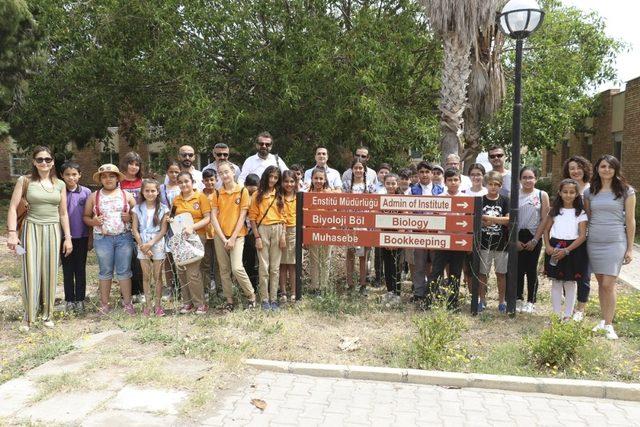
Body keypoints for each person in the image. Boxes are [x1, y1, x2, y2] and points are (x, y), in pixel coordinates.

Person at [7, 147, 73, 331]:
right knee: (31, 271)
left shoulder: (59, 184)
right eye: (40, 159)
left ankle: (47, 314)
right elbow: (12, 208)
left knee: (50, 271)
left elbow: (63, 213)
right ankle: (29, 316)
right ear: (34, 162)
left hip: (53, 229)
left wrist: (68, 238)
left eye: (48, 159)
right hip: (31, 228)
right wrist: (12, 233)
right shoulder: (25, 180)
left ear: (53, 161)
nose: (44, 162)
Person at [584, 155, 636, 340]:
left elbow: (630, 220)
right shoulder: (589, 192)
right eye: (603, 166)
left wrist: (630, 248)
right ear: (597, 169)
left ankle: (609, 324)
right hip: (595, 242)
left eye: (610, 167)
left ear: (616, 169)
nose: (606, 170)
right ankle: (603, 320)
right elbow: (588, 218)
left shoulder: (626, 191)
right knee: (600, 283)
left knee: (608, 283)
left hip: (615, 242)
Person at [83, 164, 136, 316]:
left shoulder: (127, 195)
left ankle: (127, 304)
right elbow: (85, 217)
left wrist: (130, 217)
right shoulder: (94, 196)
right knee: (105, 271)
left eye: (111, 176)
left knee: (124, 271)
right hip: (102, 239)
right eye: (104, 176)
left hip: (123, 238)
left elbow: (139, 214)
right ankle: (104, 304)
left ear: (117, 178)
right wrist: (94, 222)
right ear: (100, 179)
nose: (108, 179)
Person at [210, 161, 258, 311]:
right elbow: (213, 218)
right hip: (220, 236)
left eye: (226, 172)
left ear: (233, 172)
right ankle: (229, 301)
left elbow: (243, 216)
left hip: (237, 236)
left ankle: (251, 295)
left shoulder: (242, 191)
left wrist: (232, 238)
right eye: (221, 173)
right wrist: (224, 238)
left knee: (237, 268)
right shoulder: (216, 193)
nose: (224, 175)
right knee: (224, 270)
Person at [423, 168, 468, 309]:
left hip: (459, 242)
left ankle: (452, 303)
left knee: (455, 273)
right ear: (445, 182)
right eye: (450, 180)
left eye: (455, 180)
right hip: (442, 241)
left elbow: (468, 222)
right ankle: (428, 301)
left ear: (460, 181)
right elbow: (434, 221)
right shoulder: (440, 198)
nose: (453, 182)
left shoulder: (466, 200)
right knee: (436, 272)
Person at [543, 179, 588, 321]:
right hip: (555, 247)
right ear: (560, 193)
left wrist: (567, 250)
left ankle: (568, 315)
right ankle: (556, 314)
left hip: (573, 249)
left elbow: (582, 236)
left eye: (572, 192)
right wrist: (548, 246)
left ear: (577, 194)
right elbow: (546, 229)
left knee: (570, 282)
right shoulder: (554, 211)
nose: (568, 195)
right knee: (556, 282)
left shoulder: (580, 213)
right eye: (565, 192)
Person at [172, 171, 211, 315]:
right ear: (177, 184)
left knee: (193, 272)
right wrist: (170, 220)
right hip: (181, 240)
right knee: (182, 271)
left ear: (192, 182)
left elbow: (207, 218)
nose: (184, 184)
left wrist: (192, 227)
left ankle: (200, 304)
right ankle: (187, 303)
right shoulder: (176, 200)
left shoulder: (201, 197)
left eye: (186, 181)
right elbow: (172, 217)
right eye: (180, 182)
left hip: (196, 237)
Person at [248, 165, 286, 310]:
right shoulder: (257, 194)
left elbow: (283, 217)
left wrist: (283, 235)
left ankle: (274, 299)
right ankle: (264, 299)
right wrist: (257, 237)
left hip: (277, 229)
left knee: (275, 268)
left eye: (276, 177)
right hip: (263, 229)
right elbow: (252, 218)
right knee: (264, 267)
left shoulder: (279, 193)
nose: (272, 180)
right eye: (270, 176)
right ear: (265, 176)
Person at [131, 179, 170, 316]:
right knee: (146, 277)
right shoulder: (137, 208)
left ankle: (158, 306)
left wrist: (150, 244)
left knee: (158, 276)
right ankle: (148, 306)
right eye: (147, 190)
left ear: (158, 191)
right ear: (142, 191)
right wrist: (143, 245)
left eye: (153, 190)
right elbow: (135, 229)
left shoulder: (163, 209)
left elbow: (163, 230)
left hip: (157, 242)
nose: (150, 193)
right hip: (142, 243)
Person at [562, 155, 592, 321]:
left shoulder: (591, 189)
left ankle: (580, 308)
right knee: (567, 272)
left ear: (585, 169)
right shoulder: (566, 187)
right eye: (572, 168)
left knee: (584, 273)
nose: (575, 171)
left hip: (586, 237)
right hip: (566, 237)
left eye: (578, 167)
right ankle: (569, 305)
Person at [516, 167, 550, 314]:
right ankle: (517, 298)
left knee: (531, 270)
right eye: (524, 177)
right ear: (520, 179)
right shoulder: (514, 194)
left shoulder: (542, 195)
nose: (528, 180)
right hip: (517, 237)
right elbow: (510, 219)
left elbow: (544, 219)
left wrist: (536, 239)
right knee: (517, 270)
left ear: (536, 179)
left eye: (531, 177)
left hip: (533, 236)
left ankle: (531, 300)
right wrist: (514, 240)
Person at [60, 161, 91, 313]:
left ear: (80, 175)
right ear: (62, 176)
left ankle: (80, 300)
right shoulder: (58, 191)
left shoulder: (86, 192)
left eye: (74, 174)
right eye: (67, 174)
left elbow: (90, 216)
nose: (71, 177)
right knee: (67, 270)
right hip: (63, 238)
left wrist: (90, 237)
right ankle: (69, 300)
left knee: (80, 269)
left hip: (82, 237)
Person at [477, 171, 510, 313]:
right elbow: (476, 221)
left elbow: (508, 220)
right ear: (485, 185)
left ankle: (502, 301)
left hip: (501, 244)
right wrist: (485, 221)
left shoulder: (505, 200)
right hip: (484, 242)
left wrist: (487, 218)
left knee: (501, 273)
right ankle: (482, 300)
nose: (493, 187)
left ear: (500, 186)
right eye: (490, 184)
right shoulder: (480, 200)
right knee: (483, 273)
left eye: (496, 185)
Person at [343, 158, 375, 294]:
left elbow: (374, 205)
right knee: (350, 254)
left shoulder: (370, 186)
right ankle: (350, 284)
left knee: (363, 256)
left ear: (364, 170)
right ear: (352, 169)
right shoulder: (346, 185)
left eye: (360, 168)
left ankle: (363, 284)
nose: (358, 170)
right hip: (350, 224)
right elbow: (341, 204)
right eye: (355, 168)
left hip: (365, 224)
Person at [410, 161, 436, 303]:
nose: (424, 174)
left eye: (427, 172)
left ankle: (433, 292)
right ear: (418, 174)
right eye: (422, 172)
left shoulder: (440, 190)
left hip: (435, 234)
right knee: (419, 265)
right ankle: (419, 293)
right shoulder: (412, 190)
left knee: (435, 265)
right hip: (418, 233)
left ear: (431, 174)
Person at [120, 152, 145, 302]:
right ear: (125, 164)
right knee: (125, 260)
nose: (134, 167)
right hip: (122, 227)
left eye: (137, 164)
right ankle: (126, 294)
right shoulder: (118, 183)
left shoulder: (143, 183)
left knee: (139, 260)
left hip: (141, 226)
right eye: (131, 163)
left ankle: (140, 292)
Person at [159, 160, 182, 300]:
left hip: (180, 226)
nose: (174, 174)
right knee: (168, 259)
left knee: (181, 257)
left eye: (176, 172)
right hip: (165, 227)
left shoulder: (184, 186)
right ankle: (171, 288)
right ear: (167, 173)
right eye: (171, 172)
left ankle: (183, 287)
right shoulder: (161, 188)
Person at [308, 167, 333, 292]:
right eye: (316, 178)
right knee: (314, 260)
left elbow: (334, 215)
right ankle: (315, 287)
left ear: (325, 180)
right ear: (312, 179)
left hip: (327, 232)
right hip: (312, 232)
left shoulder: (329, 194)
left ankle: (324, 286)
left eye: (321, 178)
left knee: (326, 260)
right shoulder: (307, 194)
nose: (318, 181)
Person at [381, 173, 402, 305]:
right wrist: (384, 237)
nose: (390, 186)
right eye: (388, 183)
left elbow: (406, 218)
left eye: (393, 183)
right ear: (384, 184)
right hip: (384, 238)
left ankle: (397, 293)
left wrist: (397, 238)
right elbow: (377, 218)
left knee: (396, 265)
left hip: (398, 239)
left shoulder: (402, 199)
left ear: (397, 184)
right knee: (387, 265)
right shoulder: (381, 198)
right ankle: (389, 291)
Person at [201, 169, 222, 294]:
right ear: (202, 181)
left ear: (216, 180)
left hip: (219, 233)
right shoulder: (199, 196)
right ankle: (206, 290)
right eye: (207, 180)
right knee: (205, 263)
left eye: (212, 180)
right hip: (204, 233)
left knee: (220, 263)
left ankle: (221, 289)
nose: (209, 182)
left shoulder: (220, 194)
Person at [280, 170, 298, 302]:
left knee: (293, 264)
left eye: (292, 181)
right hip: (280, 231)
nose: (289, 184)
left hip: (294, 231)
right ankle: (283, 292)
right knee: (282, 264)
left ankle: (293, 291)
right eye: (286, 181)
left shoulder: (299, 196)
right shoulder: (278, 197)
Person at [242, 174, 261, 292]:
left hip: (258, 233)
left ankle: (262, 286)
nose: (252, 195)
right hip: (244, 234)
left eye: (255, 192)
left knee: (261, 261)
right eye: (250, 192)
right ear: (245, 187)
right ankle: (251, 287)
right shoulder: (241, 197)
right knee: (248, 262)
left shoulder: (260, 198)